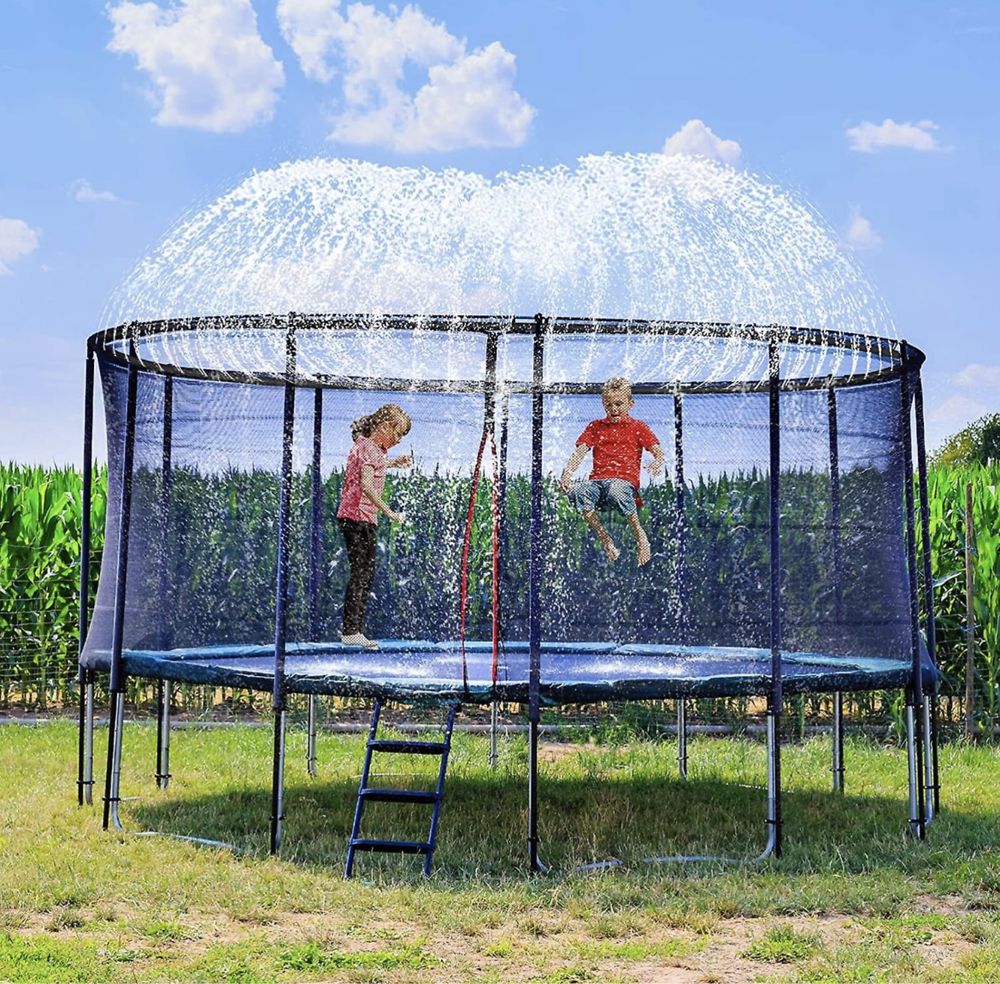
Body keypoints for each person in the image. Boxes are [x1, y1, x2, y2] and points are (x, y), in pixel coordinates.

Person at [559, 377, 665, 565]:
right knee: (578, 491)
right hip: (598, 483)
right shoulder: (595, 427)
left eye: (619, 404)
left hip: (623, 483)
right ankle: (606, 540)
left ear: (630, 404)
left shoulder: (638, 427)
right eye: (608, 405)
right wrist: (567, 473)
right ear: (603, 404)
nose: (613, 409)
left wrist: (658, 461)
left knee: (615, 488)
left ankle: (640, 536)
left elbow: (657, 450)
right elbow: (581, 450)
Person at [337, 404, 412, 649]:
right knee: (362, 573)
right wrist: (390, 513)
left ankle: (353, 630)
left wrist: (393, 463)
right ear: (384, 427)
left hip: (359, 518)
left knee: (364, 573)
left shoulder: (369, 447)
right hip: (357, 517)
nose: (399, 440)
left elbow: (372, 465)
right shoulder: (369, 447)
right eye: (398, 433)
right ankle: (350, 631)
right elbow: (367, 487)